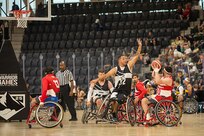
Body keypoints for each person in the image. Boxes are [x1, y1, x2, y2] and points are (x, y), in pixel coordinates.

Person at [91, 39, 142, 121]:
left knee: (118, 100)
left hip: (125, 91)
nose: (126, 60)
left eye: (126, 58)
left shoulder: (129, 66)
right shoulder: (115, 69)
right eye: (123, 58)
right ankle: (105, 114)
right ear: (119, 60)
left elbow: (136, 56)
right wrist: (96, 80)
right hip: (116, 90)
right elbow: (105, 76)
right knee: (111, 100)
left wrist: (140, 46)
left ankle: (114, 115)